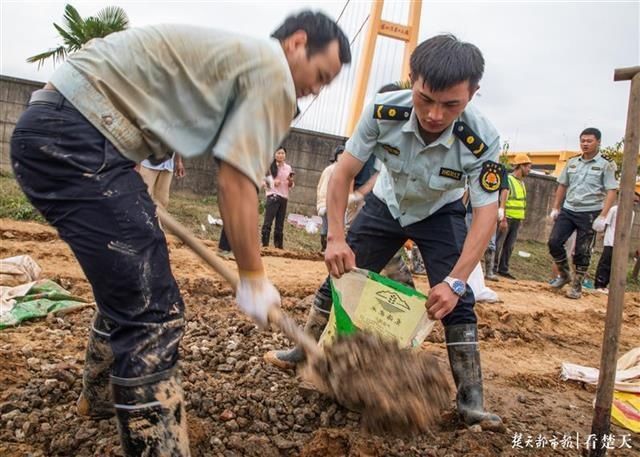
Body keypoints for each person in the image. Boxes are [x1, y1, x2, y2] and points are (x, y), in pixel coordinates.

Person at [10, 12, 350, 456]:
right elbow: (235, 179)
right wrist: (252, 275)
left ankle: (98, 398)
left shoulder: (239, 61)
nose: (316, 88)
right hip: (75, 138)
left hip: (65, 126)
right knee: (152, 309)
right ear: (297, 43)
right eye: (320, 74)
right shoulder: (272, 72)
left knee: (133, 280)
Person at [266, 34, 503, 431]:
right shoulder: (382, 111)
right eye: (425, 99)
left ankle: (471, 403)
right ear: (412, 79)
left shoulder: (482, 141)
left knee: (456, 304)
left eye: (451, 105)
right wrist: (336, 237)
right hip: (387, 204)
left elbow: (485, 213)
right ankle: (304, 350)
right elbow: (344, 172)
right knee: (339, 276)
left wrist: (457, 281)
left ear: (473, 94)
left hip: (439, 210)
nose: (434, 115)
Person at [548, 128, 617, 299]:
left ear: (598, 142)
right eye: (583, 141)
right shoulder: (572, 162)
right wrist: (556, 207)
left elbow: (611, 190)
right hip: (569, 209)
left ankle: (577, 286)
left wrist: (603, 215)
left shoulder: (606, 164)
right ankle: (564, 275)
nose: (585, 144)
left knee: (582, 251)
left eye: (589, 141)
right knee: (554, 242)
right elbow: (562, 185)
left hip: (590, 212)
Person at [495, 153, 532, 279]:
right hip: (508, 217)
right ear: (520, 166)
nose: (529, 169)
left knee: (509, 246)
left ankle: (503, 269)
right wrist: (503, 218)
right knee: (499, 244)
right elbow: (503, 200)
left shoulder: (522, 182)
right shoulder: (509, 180)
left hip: (517, 218)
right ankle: (492, 268)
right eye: (527, 166)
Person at [594, 191, 639, 292]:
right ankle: (599, 284)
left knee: (615, 265)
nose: (635, 203)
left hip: (621, 244)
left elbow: (628, 229)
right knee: (605, 263)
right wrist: (602, 234)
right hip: (610, 241)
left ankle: (606, 285)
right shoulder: (614, 209)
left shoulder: (632, 213)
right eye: (634, 200)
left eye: (637, 202)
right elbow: (606, 223)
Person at [261, 147, 294, 249]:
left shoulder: (288, 168)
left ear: (285, 155)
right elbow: (263, 182)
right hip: (273, 196)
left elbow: (291, 185)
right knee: (268, 221)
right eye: (278, 153)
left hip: (284, 197)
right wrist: (273, 182)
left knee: (280, 224)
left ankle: (278, 247)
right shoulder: (269, 167)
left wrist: (290, 180)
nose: (281, 155)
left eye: (283, 153)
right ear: (274, 154)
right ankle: (265, 244)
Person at [317, 145, 344, 252]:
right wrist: (324, 204)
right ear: (336, 156)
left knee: (333, 228)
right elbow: (323, 188)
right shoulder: (330, 170)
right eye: (341, 155)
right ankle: (324, 249)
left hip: (338, 204)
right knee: (327, 227)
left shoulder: (343, 170)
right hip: (328, 203)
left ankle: (329, 249)